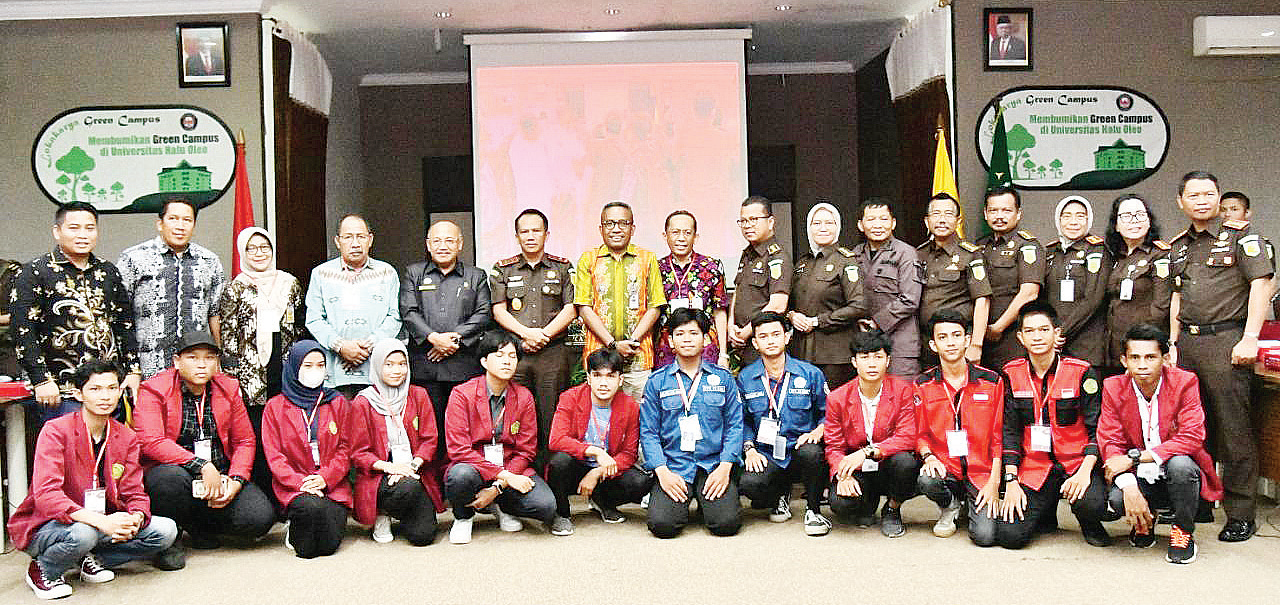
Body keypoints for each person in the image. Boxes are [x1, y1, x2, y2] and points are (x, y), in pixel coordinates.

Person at [7, 360, 177, 599]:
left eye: (111, 388)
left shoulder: (125, 436)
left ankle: (90, 559)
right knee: (83, 534)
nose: (105, 396)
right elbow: (47, 495)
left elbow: (134, 492)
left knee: (165, 531)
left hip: (99, 522)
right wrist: (100, 522)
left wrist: (135, 517)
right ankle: (44, 568)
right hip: (50, 525)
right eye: (95, 389)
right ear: (78, 394)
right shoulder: (55, 430)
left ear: (120, 391)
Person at [1169, 171, 1272, 542]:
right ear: (1180, 202)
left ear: (1218, 198)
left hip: (1226, 340)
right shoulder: (1179, 246)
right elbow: (1177, 298)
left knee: (1233, 430)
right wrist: (1171, 343)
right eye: (1193, 195)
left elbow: (1262, 284)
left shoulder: (1244, 239)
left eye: (1208, 193)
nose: (1202, 200)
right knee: (1192, 428)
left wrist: (1250, 338)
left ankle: (1241, 513)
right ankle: (1199, 501)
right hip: (1189, 345)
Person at [133, 331, 274, 568]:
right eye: (193, 357)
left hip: (220, 473)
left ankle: (202, 527)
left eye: (209, 358)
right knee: (167, 479)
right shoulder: (154, 390)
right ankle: (169, 540)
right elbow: (151, 441)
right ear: (177, 361)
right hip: (178, 473)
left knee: (259, 517)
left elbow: (245, 441)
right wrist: (201, 465)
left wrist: (236, 479)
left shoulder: (228, 389)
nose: (202, 365)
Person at [1098, 324, 1224, 564]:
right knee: (1117, 499)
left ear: (1165, 359)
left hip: (1175, 473)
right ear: (1124, 361)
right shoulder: (1113, 387)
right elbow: (1110, 441)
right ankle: (1146, 521)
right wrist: (1130, 488)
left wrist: (1135, 458)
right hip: (1140, 473)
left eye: (1150, 357)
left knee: (1181, 465)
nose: (1142, 364)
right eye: (1135, 357)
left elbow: (1192, 436)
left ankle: (1182, 532)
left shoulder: (1185, 382)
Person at [10, 202, 141, 422]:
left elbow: (124, 324)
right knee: (71, 453)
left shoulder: (108, 271)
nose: (82, 235)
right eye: (74, 228)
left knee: (111, 452)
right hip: (61, 391)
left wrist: (133, 371)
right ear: (57, 232)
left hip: (108, 389)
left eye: (89, 228)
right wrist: (41, 380)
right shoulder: (35, 272)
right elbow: (23, 330)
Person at [996, 302, 1110, 548]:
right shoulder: (1010, 374)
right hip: (1035, 467)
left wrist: (1085, 471)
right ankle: (1044, 514)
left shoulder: (1082, 373)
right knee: (1009, 537)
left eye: (1044, 329)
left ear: (1056, 333)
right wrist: (1011, 481)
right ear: (1020, 338)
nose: (1037, 337)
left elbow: (1097, 429)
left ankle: (1089, 522)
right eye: (1030, 331)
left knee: (1092, 502)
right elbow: (1010, 431)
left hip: (1076, 464)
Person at [217, 227, 305, 506]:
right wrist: (232, 380)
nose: (259, 253)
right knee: (256, 437)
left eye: (264, 247)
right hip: (250, 374)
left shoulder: (289, 283)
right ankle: (263, 498)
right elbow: (229, 336)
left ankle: (288, 495)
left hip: (284, 368)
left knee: (286, 435)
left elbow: (299, 327)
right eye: (252, 248)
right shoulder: (235, 287)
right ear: (243, 252)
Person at [444, 330, 556, 544]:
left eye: (512, 356)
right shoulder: (461, 394)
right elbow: (459, 450)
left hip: (509, 467)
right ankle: (463, 517)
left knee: (546, 506)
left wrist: (498, 486)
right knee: (460, 475)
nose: (507, 362)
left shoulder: (523, 396)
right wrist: (507, 477)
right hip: (474, 467)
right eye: (499, 355)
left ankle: (499, 505)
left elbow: (526, 451)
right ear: (484, 361)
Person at [641, 307, 743, 538]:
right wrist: (662, 472)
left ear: (706, 338)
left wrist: (725, 467)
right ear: (670, 340)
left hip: (713, 465)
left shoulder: (723, 378)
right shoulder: (657, 381)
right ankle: (679, 501)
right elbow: (648, 433)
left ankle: (706, 503)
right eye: (680, 333)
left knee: (725, 525)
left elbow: (735, 426)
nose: (686, 339)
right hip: (674, 466)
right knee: (662, 526)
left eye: (693, 333)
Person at [401, 220, 492, 465]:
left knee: (465, 428)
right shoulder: (414, 273)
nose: (443, 246)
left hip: (463, 365)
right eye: (437, 241)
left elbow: (484, 313)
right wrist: (433, 338)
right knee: (430, 429)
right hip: (425, 365)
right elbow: (408, 312)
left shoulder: (476, 276)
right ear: (428, 245)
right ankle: (434, 485)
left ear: (460, 244)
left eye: (450, 240)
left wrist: (454, 339)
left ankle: (464, 478)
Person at [491, 209, 577, 463]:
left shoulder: (562, 267)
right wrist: (526, 334)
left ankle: (550, 477)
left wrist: (544, 335)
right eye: (524, 231)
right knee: (515, 414)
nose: (530, 236)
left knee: (551, 416)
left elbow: (571, 308)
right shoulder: (502, 269)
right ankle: (515, 471)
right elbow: (498, 310)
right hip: (516, 353)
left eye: (536, 230)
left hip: (553, 353)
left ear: (546, 234)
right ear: (516, 236)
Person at [914, 310, 1004, 544]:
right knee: (926, 480)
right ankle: (950, 505)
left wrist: (994, 484)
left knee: (985, 536)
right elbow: (920, 434)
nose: (950, 342)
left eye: (956, 335)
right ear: (933, 345)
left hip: (981, 472)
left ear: (966, 340)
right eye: (943, 337)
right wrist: (928, 457)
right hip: (945, 468)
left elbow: (998, 438)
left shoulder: (992, 382)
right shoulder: (923, 385)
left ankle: (972, 505)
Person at [737, 311, 829, 535]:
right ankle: (779, 494)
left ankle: (814, 510)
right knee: (750, 483)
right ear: (755, 343)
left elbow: (830, 414)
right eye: (764, 336)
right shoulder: (745, 378)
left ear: (787, 337)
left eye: (776, 334)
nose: (770, 341)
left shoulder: (810, 374)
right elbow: (743, 421)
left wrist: (819, 430)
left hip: (801, 449)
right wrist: (749, 449)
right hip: (766, 453)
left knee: (812, 454)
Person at [262, 341, 353, 559]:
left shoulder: (337, 402)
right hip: (294, 485)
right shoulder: (275, 407)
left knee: (329, 545)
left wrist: (325, 477)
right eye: (307, 365)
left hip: (332, 485)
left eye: (320, 365)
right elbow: (275, 457)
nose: (315, 371)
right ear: (294, 367)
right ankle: (294, 524)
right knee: (307, 549)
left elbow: (346, 448)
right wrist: (300, 483)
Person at [545, 348, 651, 533]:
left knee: (639, 482)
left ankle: (603, 500)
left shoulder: (630, 407)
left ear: (620, 380)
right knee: (559, 462)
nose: (603, 383)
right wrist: (596, 451)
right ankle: (561, 514)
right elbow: (556, 440)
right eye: (597, 375)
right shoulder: (570, 397)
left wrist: (597, 473)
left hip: (605, 471)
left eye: (610, 376)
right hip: (576, 466)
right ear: (588, 378)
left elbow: (629, 454)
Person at [825, 330, 919, 537]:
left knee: (907, 463)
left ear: (888, 361)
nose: (872, 363)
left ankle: (892, 509)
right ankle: (867, 504)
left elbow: (907, 436)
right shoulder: (837, 398)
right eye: (865, 357)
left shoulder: (903, 391)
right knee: (840, 504)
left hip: (887, 464)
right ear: (854, 362)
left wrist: (869, 452)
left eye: (878, 356)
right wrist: (842, 474)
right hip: (857, 467)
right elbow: (834, 446)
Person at [349, 339, 442, 546]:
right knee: (406, 486)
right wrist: (392, 467)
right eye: (389, 364)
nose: (397, 370)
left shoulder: (418, 395)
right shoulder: (363, 402)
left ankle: (403, 512)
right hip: (379, 475)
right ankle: (382, 512)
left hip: (414, 470)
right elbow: (359, 453)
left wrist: (411, 465)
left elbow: (430, 439)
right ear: (377, 366)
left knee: (423, 536)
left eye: (402, 364)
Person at [118, 198, 225, 378]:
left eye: (187, 220)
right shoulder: (133, 258)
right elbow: (121, 316)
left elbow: (215, 314)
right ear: (160, 224)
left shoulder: (210, 261)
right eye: (173, 218)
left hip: (196, 368)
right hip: (148, 367)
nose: (180, 226)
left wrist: (219, 360)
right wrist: (130, 368)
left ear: (194, 225)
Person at [573, 201, 666, 398]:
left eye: (623, 223)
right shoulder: (588, 259)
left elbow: (655, 306)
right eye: (609, 223)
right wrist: (613, 345)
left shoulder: (647, 259)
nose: (616, 229)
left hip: (639, 357)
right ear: (601, 228)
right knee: (601, 419)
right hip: (598, 358)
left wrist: (632, 342)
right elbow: (583, 307)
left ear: (632, 228)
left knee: (639, 419)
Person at [304, 214, 402, 397]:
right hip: (335, 373)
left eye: (361, 237)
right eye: (348, 237)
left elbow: (395, 317)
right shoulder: (321, 274)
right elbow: (314, 319)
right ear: (337, 241)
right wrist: (341, 346)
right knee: (338, 424)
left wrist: (368, 346)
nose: (355, 243)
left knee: (375, 424)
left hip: (376, 370)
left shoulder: (387, 273)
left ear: (370, 240)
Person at [789, 202, 867, 389]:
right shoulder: (802, 263)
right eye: (816, 223)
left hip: (835, 356)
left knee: (832, 411)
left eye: (829, 223)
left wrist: (817, 321)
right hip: (801, 352)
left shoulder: (846, 261)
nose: (823, 228)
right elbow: (790, 303)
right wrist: (791, 315)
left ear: (838, 227)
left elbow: (859, 306)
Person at [917, 193, 991, 367]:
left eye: (948, 214)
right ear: (927, 222)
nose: (942, 220)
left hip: (959, 343)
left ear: (958, 221)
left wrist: (976, 344)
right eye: (936, 214)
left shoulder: (971, 254)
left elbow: (982, 300)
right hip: (927, 342)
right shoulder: (918, 254)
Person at [852, 198, 923, 378]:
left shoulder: (906, 253)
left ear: (893, 223)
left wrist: (877, 322)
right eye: (871, 219)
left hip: (900, 343)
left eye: (883, 219)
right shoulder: (854, 254)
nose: (877, 225)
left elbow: (910, 299)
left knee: (902, 398)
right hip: (865, 344)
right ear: (861, 225)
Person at [977, 186, 1046, 370]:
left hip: (1010, 336)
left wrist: (997, 328)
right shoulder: (979, 246)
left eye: (1006, 210)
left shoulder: (1028, 246)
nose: (999, 216)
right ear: (985, 214)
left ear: (1018, 213)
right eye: (993, 210)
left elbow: (1029, 293)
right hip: (979, 337)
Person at [1103, 194, 1171, 376]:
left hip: (1142, 351)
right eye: (1125, 216)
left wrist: (1140, 348)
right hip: (1115, 349)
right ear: (1116, 225)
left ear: (1149, 221)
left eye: (1140, 215)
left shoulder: (1160, 255)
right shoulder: (1115, 257)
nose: (1133, 221)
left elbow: (1161, 307)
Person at [1042, 196, 1111, 367]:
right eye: (1066, 216)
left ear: (1089, 220)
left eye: (1080, 216)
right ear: (1058, 219)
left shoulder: (1097, 250)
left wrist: (1061, 332)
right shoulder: (1050, 252)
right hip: (1053, 345)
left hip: (1086, 345)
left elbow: (1093, 299)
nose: (1073, 221)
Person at [655, 210, 729, 369]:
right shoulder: (656, 268)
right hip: (667, 348)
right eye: (675, 232)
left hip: (706, 347)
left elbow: (719, 311)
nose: (681, 238)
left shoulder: (712, 266)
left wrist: (723, 353)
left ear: (695, 237)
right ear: (665, 235)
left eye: (687, 233)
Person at [729, 196, 792, 366]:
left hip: (763, 343)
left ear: (770, 222)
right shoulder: (747, 254)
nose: (748, 225)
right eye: (743, 221)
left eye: (754, 220)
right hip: (742, 342)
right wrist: (730, 326)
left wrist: (747, 332)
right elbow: (738, 291)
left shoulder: (777, 257)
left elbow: (778, 305)